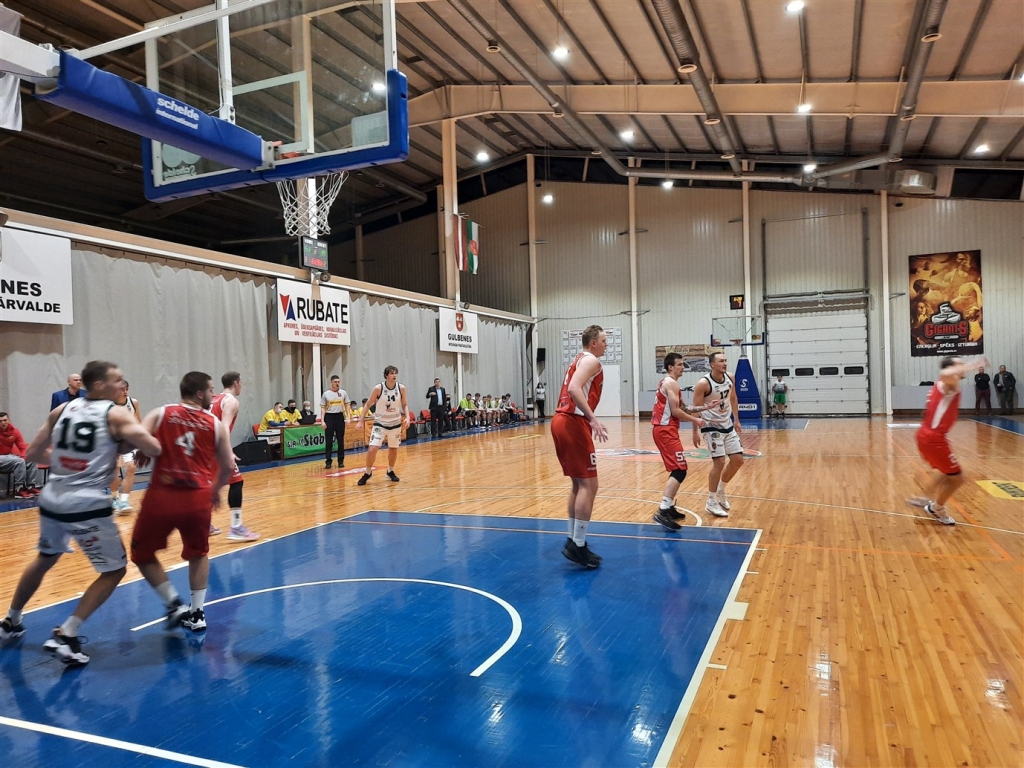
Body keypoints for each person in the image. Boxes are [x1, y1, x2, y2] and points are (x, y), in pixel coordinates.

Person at [0, 361, 161, 665]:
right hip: (86, 501)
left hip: (53, 497)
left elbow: (33, 453)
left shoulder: (61, 411)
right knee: (113, 570)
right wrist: (132, 440)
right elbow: (152, 447)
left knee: (45, 557)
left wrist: (68, 462)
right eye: (117, 380)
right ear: (98, 385)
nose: (122, 386)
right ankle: (67, 634)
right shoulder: (114, 413)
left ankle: (11, 620)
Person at [132, 371, 234, 634]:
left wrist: (144, 451)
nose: (213, 395)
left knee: (141, 554)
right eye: (210, 390)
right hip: (197, 497)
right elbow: (228, 465)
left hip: (162, 495)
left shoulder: (161, 413)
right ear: (199, 393)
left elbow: (139, 438)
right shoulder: (214, 423)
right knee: (198, 553)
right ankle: (197, 612)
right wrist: (214, 490)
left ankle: (173, 602)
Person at [551, 325, 609, 568]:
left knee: (579, 483)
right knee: (589, 484)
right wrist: (593, 419)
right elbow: (575, 389)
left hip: (563, 421)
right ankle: (579, 545)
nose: (607, 344)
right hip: (573, 422)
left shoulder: (580, 360)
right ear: (593, 342)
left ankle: (575, 540)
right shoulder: (591, 361)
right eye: (604, 340)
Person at [906, 357, 988, 525]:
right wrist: (973, 365)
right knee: (957, 478)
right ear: (952, 367)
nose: (963, 366)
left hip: (929, 435)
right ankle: (937, 508)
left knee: (948, 472)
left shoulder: (944, 384)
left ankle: (926, 498)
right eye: (960, 363)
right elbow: (945, 372)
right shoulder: (949, 382)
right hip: (933, 439)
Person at [651, 353, 716, 531]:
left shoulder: (672, 384)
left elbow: (684, 407)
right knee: (680, 470)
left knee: (678, 469)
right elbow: (676, 411)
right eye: (679, 364)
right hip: (664, 430)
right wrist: (695, 421)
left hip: (666, 429)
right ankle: (663, 509)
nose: (683, 367)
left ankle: (669, 507)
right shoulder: (670, 383)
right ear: (671, 367)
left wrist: (706, 407)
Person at [692, 351, 744, 518]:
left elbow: (734, 398)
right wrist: (695, 431)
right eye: (721, 361)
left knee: (737, 460)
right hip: (710, 426)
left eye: (726, 360)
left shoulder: (730, 377)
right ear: (712, 364)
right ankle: (711, 500)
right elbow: (695, 408)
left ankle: (720, 491)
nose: (724, 363)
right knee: (719, 462)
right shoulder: (703, 383)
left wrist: (736, 420)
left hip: (727, 424)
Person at [209, 371, 260, 542]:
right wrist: (228, 451)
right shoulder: (231, 401)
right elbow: (224, 426)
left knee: (210, 485)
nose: (242, 386)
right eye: (241, 382)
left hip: (204, 447)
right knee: (237, 482)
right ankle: (236, 527)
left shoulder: (214, 398)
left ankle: (204, 524)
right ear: (236, 383)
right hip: (217, 448)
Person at [358, 366, 409, 486]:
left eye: (396, 373)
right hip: (380, 423)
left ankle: (390, 471)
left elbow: (405, 404)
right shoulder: (378, 388)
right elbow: (368, 404)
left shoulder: (401, 388)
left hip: (395, 423)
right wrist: (361, 420)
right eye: (391, 373)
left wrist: (407, 417)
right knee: (372, 449)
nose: (394, 375)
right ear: (386, 375)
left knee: (393, 449)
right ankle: (368, 472)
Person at [109, 380, 142, 513]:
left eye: (126, 389)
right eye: (121, 389)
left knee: (131, 467)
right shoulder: (108, 406)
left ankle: (124, 500)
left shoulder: (133, 403)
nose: (124, 391)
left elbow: (138, 421)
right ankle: (114, 498)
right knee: (115, 470)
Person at [0, 412, 42, 498]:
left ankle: (30, 487)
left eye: (5, 420)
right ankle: (19, 490)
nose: (3, 423)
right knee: (18, 461)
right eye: (0, 421)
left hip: (7, 458)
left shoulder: (15, 431)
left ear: (9, 421)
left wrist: (24, 457)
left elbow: (22, 447)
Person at [320, 375, 351, 469]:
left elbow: (347, 405)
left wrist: (348, 417)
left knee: (340, 440)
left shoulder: (343, 393)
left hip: (339, 417)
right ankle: (328, 461)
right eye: (335, 382)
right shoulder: (326, 394)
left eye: (338, 382)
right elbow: (323, 408)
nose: (337, 384)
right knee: (329, 441)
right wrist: (322, 421)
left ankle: (340, 461)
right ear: (331, 383)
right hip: (329, 417)